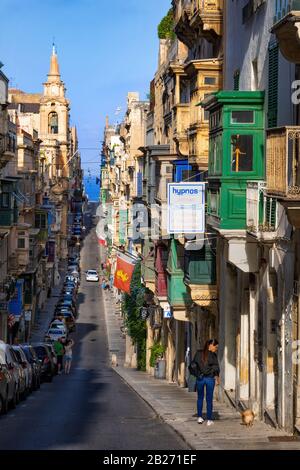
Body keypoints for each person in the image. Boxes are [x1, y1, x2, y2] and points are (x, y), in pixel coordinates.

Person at [192, 339, 220, 426]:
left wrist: (197, 374)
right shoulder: (213, 355)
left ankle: (200, 417)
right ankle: (209, 419)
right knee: (209, 399)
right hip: (209, 379)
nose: (216, 349)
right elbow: (216, 368)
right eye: (216, 347)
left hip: (200, 379)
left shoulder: (198, 353)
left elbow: (193, 365)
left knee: (200, 398)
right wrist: (217, 377)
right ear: (211, 345)